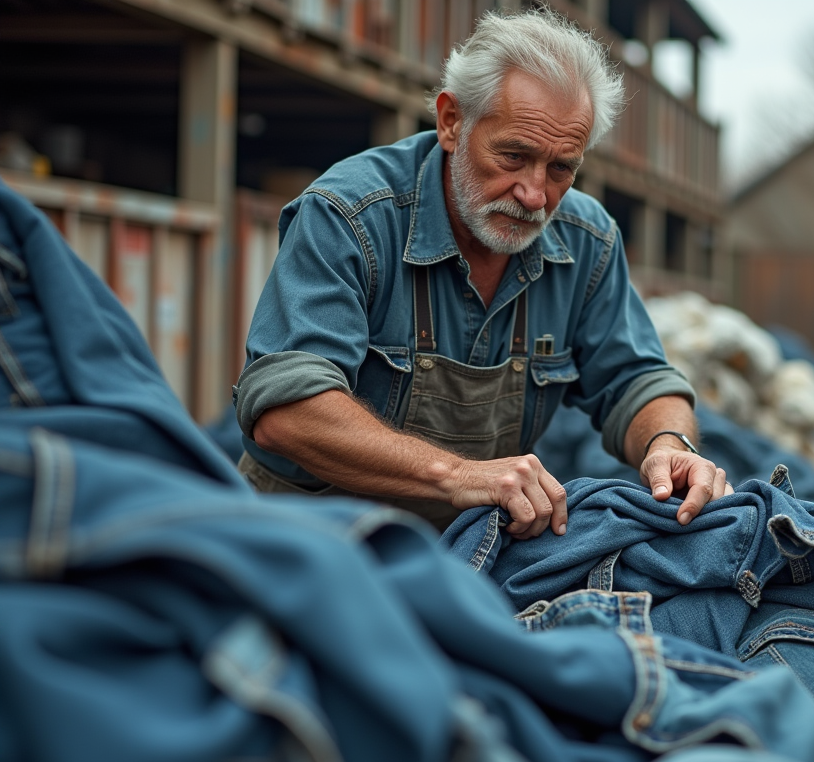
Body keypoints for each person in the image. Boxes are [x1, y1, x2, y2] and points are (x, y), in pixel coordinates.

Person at [234, 8, 730, 536]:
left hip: (470, 543)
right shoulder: (350, 216)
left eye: (561, 168)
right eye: (513, 155)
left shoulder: (588, 241)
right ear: (452, 122)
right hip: (304, 537)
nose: (534, 195)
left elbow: (636, 379)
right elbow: (287, 411)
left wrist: (668, 443)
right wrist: (459, 476)